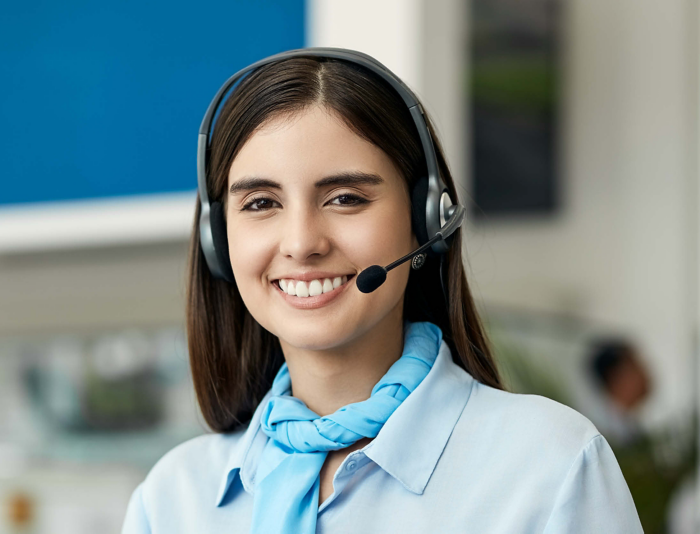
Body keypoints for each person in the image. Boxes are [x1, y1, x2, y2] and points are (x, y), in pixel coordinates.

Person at [121, 48, 642, 533]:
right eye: (261, 203)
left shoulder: (548, 466)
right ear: (218, 240)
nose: (302, 243)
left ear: (426, 220)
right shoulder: (173, 501)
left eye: (346, 198)